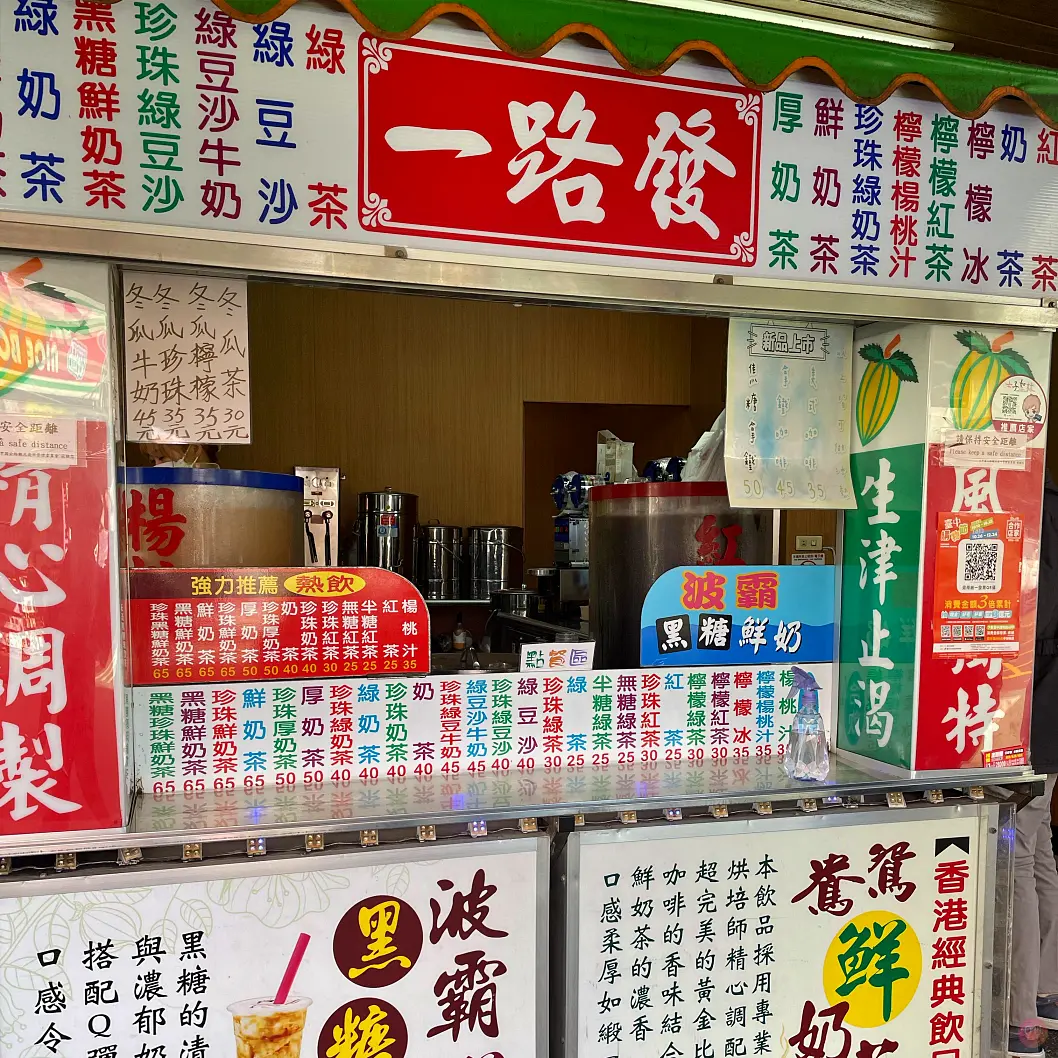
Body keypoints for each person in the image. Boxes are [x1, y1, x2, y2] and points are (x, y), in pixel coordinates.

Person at [1011, 474, 1058, 1056]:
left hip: (1030, 707)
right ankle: (1046, 992)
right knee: (1039, 840)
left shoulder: (1028, 506)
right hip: (1049, 711)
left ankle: (1022, 1015)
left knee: (1020, 848)